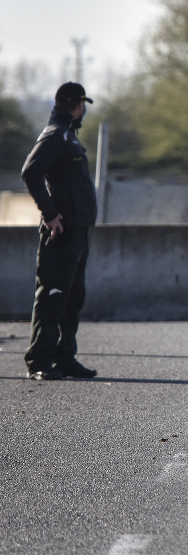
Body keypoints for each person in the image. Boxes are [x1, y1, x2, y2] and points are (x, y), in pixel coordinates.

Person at [22, 82, 99, 381]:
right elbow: (31, 171)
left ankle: (64, 357)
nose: (84, 110)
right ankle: (39, 360)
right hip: (61, 233)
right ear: (78, 105)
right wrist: (51, 213)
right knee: (52, 296)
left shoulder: (67, 135)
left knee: (71, 298)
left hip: (77, 231)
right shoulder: (56, 134)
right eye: (83, 105)